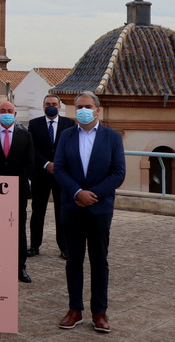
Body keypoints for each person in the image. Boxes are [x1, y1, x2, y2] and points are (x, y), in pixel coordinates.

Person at [54, 91, 125, 334]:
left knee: (99, 261)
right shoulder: (66, 136)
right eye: (79, 106)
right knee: (73, 260)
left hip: (99, 208)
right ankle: (75, 309)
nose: (83, 110)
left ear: (97, 110)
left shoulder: (112, 138)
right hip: (72, 207)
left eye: (88, 106)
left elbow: (118, 173)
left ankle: (99, 312)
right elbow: (60, 169)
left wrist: (91, 194)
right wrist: (77, 193)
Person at [0, 100, 34, 283]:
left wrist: (13, 183)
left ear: (15, 114)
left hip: (18, 192)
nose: (6, 113)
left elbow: (29, 165)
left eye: (10, 110)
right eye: (3, 110)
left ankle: (20, 267)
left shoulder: (26, 136)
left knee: (18, 230)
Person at [27, 94, 76, 259]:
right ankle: (34, 246)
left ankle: (63, 247)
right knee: (37, 211)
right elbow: (31, 148)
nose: (51, 106)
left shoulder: (69, 124)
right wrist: (46, 164)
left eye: (54, 104)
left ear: (59, 106)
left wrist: (58, 165)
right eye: (48, 103)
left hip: (62, 175)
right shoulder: (34, 124)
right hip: (40, 174)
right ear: (43, 106)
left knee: (62, 211)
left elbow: (71, 148)